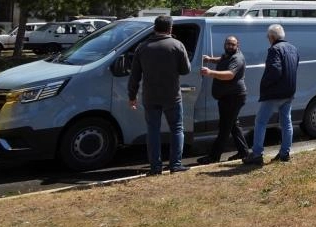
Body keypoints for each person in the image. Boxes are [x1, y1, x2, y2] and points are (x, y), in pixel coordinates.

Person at [127, 15, 191, 175]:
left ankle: (155, 168)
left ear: (154, 28)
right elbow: (186, 70)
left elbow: (134, 75)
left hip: (150, 96)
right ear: (170, 28)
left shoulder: (142, 47)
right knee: (176, 129)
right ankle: (175, 165)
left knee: (153, 131)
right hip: (172, 96)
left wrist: (132, 96)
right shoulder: (177, 45)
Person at [244, 24, 299, 165]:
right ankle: (284, 153)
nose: (268, 39)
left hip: (274, 93)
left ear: (272, 37)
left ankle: (257, 154)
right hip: (289, 92)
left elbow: (275, 69)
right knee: (286, 122)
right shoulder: (293, 48)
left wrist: (265, 84)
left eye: (268, 37)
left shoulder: (275, 49)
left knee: (260, 122)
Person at [197, 35, 250, 164]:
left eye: (233, 44)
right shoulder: (228, 55)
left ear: (237, 46)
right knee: (233, 126)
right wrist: (210, 59)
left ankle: (213, 157)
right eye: (228, 44)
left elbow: (230, 75)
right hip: (228, 96)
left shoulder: (237, 58)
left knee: (225, 127)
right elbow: (222, 59)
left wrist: (210, 73)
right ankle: (244, 153)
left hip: (234, 97)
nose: (230, 46)